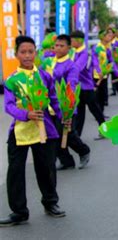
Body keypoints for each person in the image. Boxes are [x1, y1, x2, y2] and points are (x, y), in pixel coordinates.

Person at [1, 36, 66, 227]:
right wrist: (26, 114)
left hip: (45, 130)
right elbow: (9, 106)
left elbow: (54, 99)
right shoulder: (12, 80)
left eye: (31, 51)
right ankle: (19, 212)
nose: (27, 55)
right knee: (15, 172)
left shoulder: (44, 76)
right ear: (16, 54)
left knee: (46, 168)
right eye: (23, 52)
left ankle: (50, 203)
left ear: (35, 53)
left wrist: (64, 115)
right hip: (20, 131)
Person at [50, 34, 91, 170]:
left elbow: (71, 85)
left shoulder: (71, 66)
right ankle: (66, 161)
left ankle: (84, 151)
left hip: (65, 105)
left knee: (68, 134)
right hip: (50, 106)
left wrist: (68, 106)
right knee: (54, 136)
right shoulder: (49, 62)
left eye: (62, 46)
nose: (58, 48)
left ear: (69, 48)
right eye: (56, 45)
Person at [70, 31, 106, 140]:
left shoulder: (84, 54)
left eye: (72, 40)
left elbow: (77, 67)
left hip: (87, 87)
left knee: (95, 110)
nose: (70, 42)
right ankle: (78, 135)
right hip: (78, 88)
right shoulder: (74, 52)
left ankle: (105, 130)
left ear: (78, 41)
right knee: (80, 112)